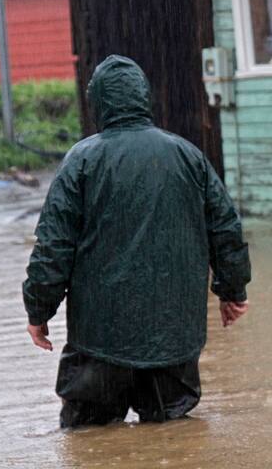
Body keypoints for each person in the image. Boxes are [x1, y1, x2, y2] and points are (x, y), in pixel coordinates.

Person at [22, 55, 251, 428]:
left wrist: (38, 310)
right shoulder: (188, 156)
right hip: (173, 340)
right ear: (144, 98)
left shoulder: (81, 160)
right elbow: (226, 230)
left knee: (89, 441)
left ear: (98, 103)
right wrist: (232, 290)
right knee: (173, 439)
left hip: (99, 342)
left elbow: (53, 247)